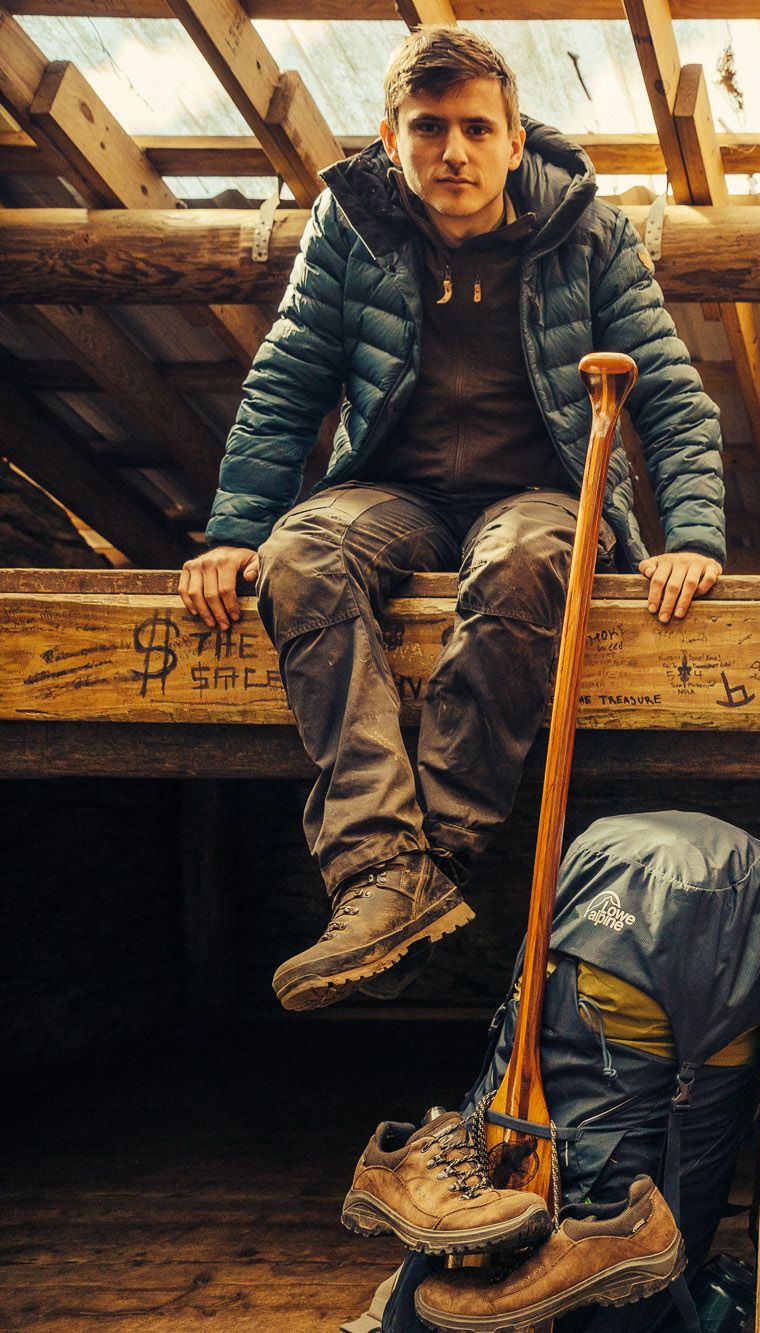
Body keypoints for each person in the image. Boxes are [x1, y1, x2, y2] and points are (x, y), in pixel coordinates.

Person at [176, 26, 726, 1012]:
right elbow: (289, 378)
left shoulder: (587, 232)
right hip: (399, 492)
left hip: (543, 492)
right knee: (297, 555)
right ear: (393, 140)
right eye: (428, 128)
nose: (453, 152)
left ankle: (428, 864)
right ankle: (386, 868)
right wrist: (233, 530)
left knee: (520, 559)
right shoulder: (351, 227)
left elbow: (672, 390)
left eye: (476, 128)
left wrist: (689, 536)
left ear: (517, 140)